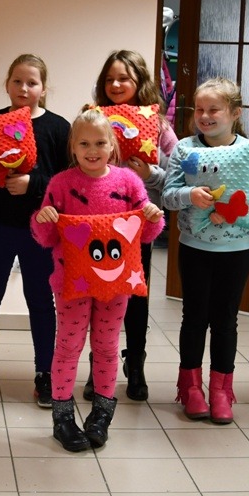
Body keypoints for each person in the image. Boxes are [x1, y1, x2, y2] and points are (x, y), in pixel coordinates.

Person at [31, 109, 164, 452]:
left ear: (112, 145)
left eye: (100, 143)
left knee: (106, 347)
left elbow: (144, 233)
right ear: (73, 147)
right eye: (84, 144)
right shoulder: (61, 184)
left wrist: (152, 217)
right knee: (68, 347)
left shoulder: (128, 182)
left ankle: (101, 416)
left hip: (115, 284)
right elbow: (46, 237)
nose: (93, 150)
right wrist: (44, 218)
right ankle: (62, 418)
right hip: (71, 283)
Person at [161, 77, 249, 425]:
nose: (205, 116)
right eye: (200, 109)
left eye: (214, 109)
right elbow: (168, 196)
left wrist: (238, 211)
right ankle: (191, 388)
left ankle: (222, 391)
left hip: (236, 251)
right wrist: (189, 196)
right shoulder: (184, 149)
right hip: (194, 249)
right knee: (194, 317)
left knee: (225, 320)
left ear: (235, 113)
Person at [0, 54, 71, 409]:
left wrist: (32, 183)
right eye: (17, 81)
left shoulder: (58, 127)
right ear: (7, 84)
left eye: (32, 82)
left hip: (40, 231)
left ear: (44, 87)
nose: (24, 88)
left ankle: (45, 374)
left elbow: (66, 182)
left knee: (40, 301)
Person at [82, 49, 178, 402]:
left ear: (139, 82)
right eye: (110, 79)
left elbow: (177, 176)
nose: (116, 85)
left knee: (136, 297)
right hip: (97, 224)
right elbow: (74, 162)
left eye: (124, 78)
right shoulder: (93, 119)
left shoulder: (159, 126)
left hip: (138, 225)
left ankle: (135, 363)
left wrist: (149, 172)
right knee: (98, 294)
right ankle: (97, 366)